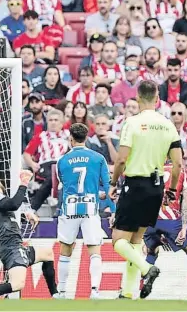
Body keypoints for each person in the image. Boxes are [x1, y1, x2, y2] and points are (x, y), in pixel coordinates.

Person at [109, 80, 183, 299]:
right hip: (157, 186)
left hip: (135, 185)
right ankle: (128, 293)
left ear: (138, 98)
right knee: (135, 241)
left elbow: (121, 159)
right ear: (158, 99)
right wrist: (171, 189)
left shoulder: (132, 123)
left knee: (118, 241)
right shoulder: (168, 124)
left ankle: (146, 269)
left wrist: (113, 183)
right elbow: (178, 164)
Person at [0, 170, 58, 298]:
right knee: (17, 284)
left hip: (15, 245)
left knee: (47, 253)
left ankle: (55, 295)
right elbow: (13, 204)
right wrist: (23, 183)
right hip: (11, 247)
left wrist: (26, 214)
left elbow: (7, 213)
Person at [52, 123, 109, 300]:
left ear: (70, 138)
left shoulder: (61, 161)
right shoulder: (98, 158)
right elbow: (106, 186)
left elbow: (61, 184)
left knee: (65, 249)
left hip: (69, 207)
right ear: (86, 138)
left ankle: (61, 292)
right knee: (94, 249)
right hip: (90, 207)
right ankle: (94, 291)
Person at [143, 164, 187, 299]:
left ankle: (141, 291)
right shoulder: (183, 172)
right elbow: (186, 200)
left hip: (149, 220)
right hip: (171, 220)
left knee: (151, 251)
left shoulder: (152, 169)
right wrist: (184, 226)